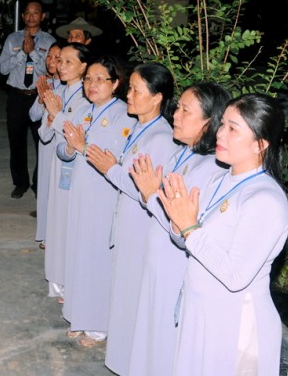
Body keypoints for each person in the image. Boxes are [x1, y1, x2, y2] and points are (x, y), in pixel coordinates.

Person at [157, 93, 288, 375]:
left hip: (235, 322)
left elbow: (235, 275)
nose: (220, 133)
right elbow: (189, 238)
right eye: (222, 124)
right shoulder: (219, 179)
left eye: (233, 128)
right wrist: (178, 222)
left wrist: (189, 229)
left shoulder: (264, 199)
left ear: (260, 144)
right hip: (200, 311)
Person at [127, 82, 229, 375]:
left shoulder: (210, 168)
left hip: (174, 265)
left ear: (209, 122)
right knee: (151, 336)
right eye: (178, 107)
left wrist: (150, 194)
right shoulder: (183, 152)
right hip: (158, 259)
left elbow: (182, 223)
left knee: (165, 342)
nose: (175, 114)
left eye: (186, 111)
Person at [84, 63, 177, 373]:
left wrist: (110, 168)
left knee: (132, 295)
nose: (129, 94)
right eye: (130, 88)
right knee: (123, 291)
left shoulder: (161, 138)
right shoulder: (140, 127)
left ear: (157, 97)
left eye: (137, 90)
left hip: (141, 226)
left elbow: (144, 191)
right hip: (127, 220)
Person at [57, 55, 136, 343]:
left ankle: (99, 324)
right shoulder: (84, 111)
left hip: (103, 195)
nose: (92, 84)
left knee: (98, 257)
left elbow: (113, 158)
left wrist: (81, 146)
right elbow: (63, 151)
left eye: (100, 79)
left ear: (115, 84)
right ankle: (79, 313)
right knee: (79, 254)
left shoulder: (124, 116)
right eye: (88, 79)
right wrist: (70, 148)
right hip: (80, 192)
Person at [39, 43, 90, 299]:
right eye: (60, 61)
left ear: (83, 67)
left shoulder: (87, 98)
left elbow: (77, 135)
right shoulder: (57, 92)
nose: (61, 66)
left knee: (72, 223)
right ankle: (58, 279)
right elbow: (44, 134)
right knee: (57, 222)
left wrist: (57, 116)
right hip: (57, 164)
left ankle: (73, 282)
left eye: (69, 62)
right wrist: (51, 117)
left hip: (76, 166)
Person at [0, 0, 57, 199]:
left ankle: (39, 184)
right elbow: (2, 68)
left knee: (43, 141)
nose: (31, 16)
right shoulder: (12, 39)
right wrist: (22, 53)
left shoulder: (49, 41)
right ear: (23, 16)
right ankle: (20, 183)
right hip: (17, 95)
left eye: (36, 12)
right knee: (16, 141)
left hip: (39, 96)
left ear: (42, 16)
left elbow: (51, 70)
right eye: (28, 13)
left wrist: (34, 54)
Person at [29, 42, 62, 244]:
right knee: (45, 187)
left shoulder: (69, 87)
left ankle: (55, 235)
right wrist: (42, 99)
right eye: (49, 56)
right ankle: (45, 232)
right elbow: (33, 115)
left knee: (57, 189)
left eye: (57, 58)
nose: (51, 61)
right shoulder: (48, 83)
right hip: (45, 141)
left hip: (59, 141)